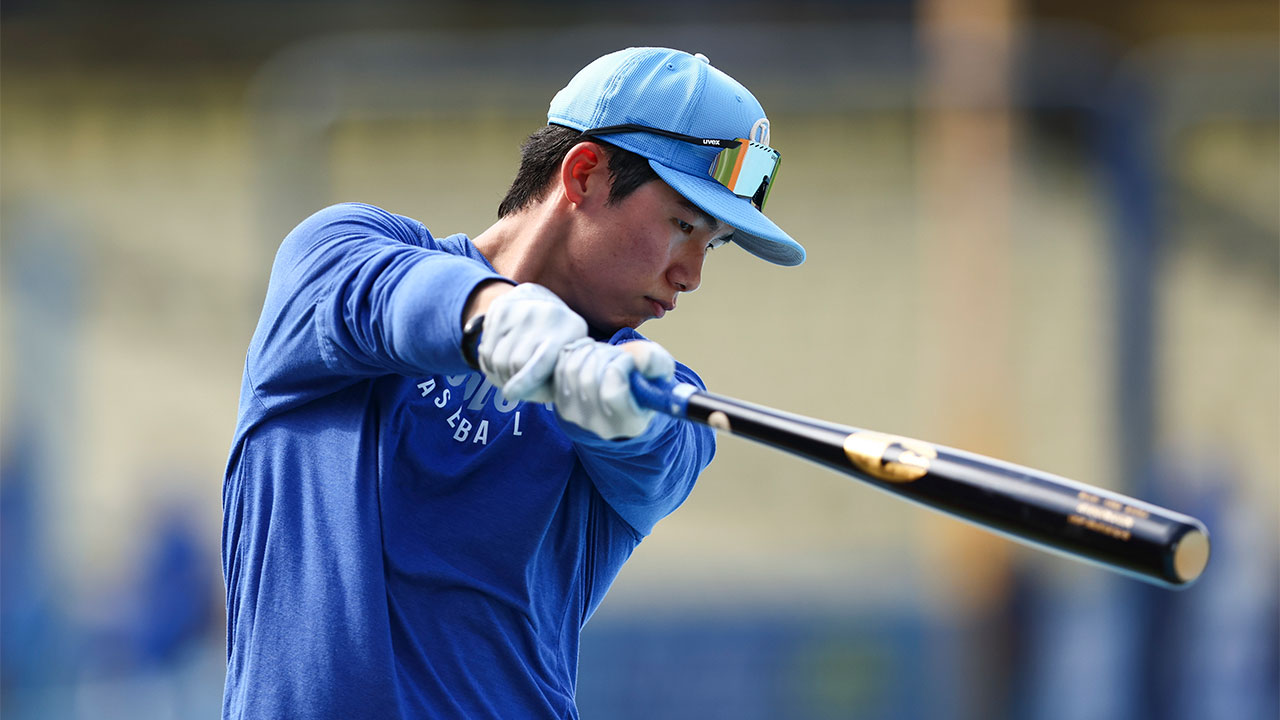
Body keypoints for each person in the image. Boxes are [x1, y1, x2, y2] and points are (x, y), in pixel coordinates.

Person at [221, 46, 805, 719]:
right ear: (584, 175)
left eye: (715, 243)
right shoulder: (341, 251)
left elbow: (663, 454)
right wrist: (500, 318)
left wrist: (625, 416)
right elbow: (384, 296)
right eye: (682, 226)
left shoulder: (648, 387)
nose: (692, 274)